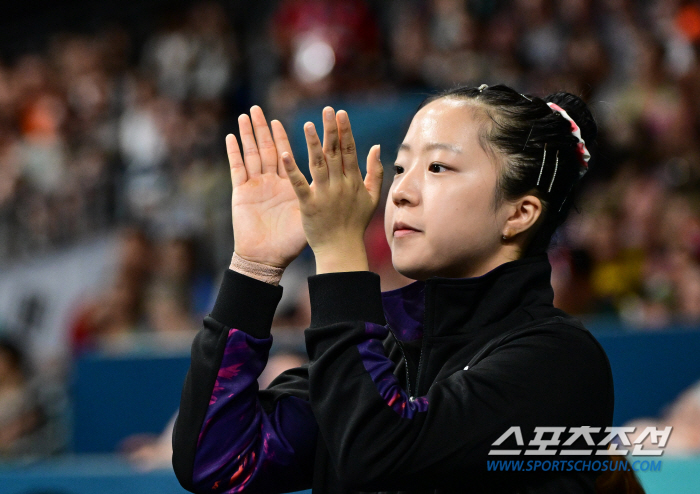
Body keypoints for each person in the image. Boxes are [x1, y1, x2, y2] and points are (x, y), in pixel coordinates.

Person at [172, 85, 631, 493]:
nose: (400, 192)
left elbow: (377, 457)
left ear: (519, 213)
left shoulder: (559, 360)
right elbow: (218, 465)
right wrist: (253, 267)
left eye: (437, 166)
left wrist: (338, 256)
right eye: (400, 165)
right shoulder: (383, 352)